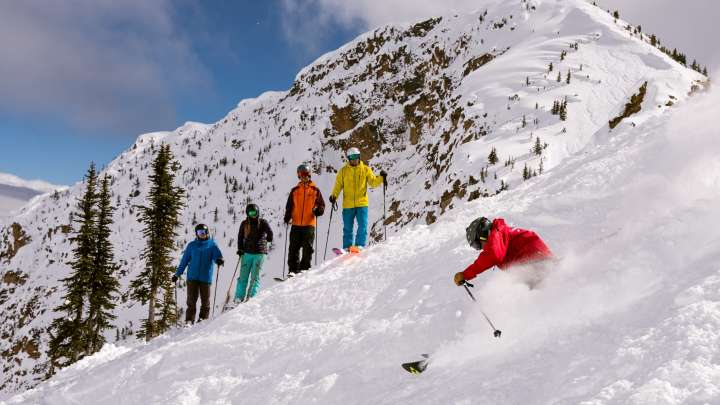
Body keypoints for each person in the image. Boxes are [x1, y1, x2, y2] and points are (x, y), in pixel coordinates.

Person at [454, 217, 553, 286]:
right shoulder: (500, 234)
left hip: (537, 263)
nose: (480, 248)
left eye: (477, 244)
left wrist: (465, 274)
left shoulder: (496, 234)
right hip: (536, 263)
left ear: (482, 233)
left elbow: (493, 255)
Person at [329, 147, 387, 250]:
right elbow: (338, 185)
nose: (354, 159)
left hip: (362, 204)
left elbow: (373, 182)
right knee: (347, 228)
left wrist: (382, 178)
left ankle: (359, 246)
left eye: (355, 157)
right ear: (348, 158)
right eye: (351, 157)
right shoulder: (343, 171)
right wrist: (334, 196)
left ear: (359, 157)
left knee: (362, 226)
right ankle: (347, 247)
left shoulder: (365, 169)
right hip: (348, 205)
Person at [173, 223, 224, 324]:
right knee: (191, 301)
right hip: (192, 277)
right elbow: (184, 261)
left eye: (203, 232)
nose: (202, 234)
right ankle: (189, 321)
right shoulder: (191, 245)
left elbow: (217, 256)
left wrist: (219, 260)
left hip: (205, 278)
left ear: (207, 232)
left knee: (205, 301)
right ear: (196, 233)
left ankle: (202, 320)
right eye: (199, 232)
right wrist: (177, 274)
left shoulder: (212, 245)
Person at [284, 164, 325, 275]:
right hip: (296, 224)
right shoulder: (295, 190)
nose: (304, 177)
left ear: (309, 175)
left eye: (306, 175)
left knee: (308, 249)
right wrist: (287, 216)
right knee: (293, 249)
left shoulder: (315, 190)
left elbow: (321, 206)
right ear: (299, 176)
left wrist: (318, 211)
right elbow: (289, 206)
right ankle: (293, 270)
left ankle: (304, 270)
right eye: (301, 175)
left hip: (309, 224)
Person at [235, 203, 273, 302]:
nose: (253, 215)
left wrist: (268, 239)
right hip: (247, 253)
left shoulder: (263, 222)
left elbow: (270, 233)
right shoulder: (244, 224)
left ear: (258, 212)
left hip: (259, 253)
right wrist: (240, 249)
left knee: (255, 277)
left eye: (254, 212)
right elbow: (240, 237)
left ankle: (251, 297)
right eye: (251, 213)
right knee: (243, 277)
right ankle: (239, 297)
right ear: (247, 213)